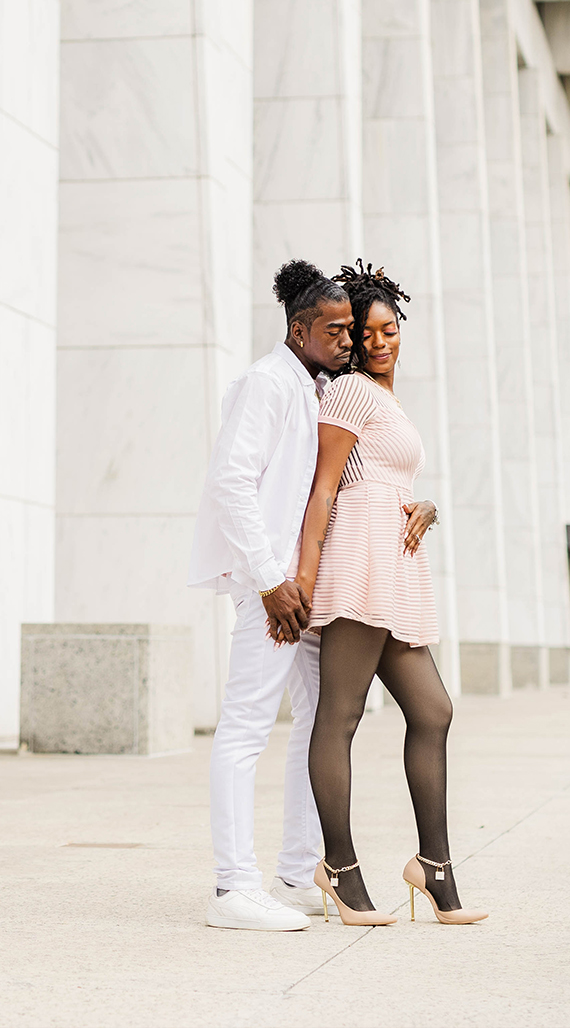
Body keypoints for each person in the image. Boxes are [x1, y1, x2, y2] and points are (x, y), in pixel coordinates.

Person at [295, 261, 487, 927]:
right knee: (339, 718)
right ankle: (340, 870)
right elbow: (325, 487)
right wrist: (304, 578)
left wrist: (426, 504)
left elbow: (387, 474)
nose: (377, 342)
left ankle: (433, 868)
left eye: (387, 330)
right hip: (357, 560)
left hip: (394, 564)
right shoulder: (349, 392)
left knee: (432, 711)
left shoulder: (388, 401)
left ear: (401, 328)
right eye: (365, 333)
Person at [190, 261, 354, 932]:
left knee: (319, 726)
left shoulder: (313, 387)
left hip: (302, 587)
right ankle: (233, 889)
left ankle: (293, 873)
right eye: (334, 330)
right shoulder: (266, 382)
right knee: (246, 729)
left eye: (351, 330)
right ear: (299, 327)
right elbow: (231, 483)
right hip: (272, 591)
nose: (347, 341)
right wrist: (269, 582)